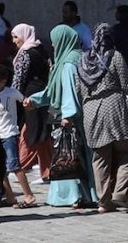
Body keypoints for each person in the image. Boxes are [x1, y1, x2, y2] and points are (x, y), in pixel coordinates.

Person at [74, 22, 128, 212]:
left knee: (100, 157)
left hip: (91, 110)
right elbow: (127, 84)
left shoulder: (82, 60)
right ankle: (120, 193)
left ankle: (103, 202)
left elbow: (79, 90)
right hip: (114, 106)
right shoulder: (116, 56)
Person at [37, 24, 94, 207]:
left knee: (69, 157)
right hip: (75, 116)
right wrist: (34, 100)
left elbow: (69, 91)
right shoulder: (75, 58)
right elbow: (53, 90)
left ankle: (74, 195)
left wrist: (68, 115)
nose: (53, 46)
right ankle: (85, 193)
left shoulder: (69, 63)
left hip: (69, 118)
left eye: (55, 41)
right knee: (77, 155)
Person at [9, 24, 53, 192]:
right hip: (42, 95)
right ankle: (27, 166)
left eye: (15, 37)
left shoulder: (26, 53)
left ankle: (35, 169)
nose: (14, 41)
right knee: (34, 131)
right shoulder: (41, 49)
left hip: (31, 97)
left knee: (36, 133)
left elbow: (19, 78)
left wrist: (12, 97)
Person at [0, 61, 33, 208]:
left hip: (9, 133)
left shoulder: (11, 92)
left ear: (3, 80)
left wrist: (28, 103)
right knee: (0, 168)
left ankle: (29, 195)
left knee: (14, 165)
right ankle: (9, 195)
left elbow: (25, 101)